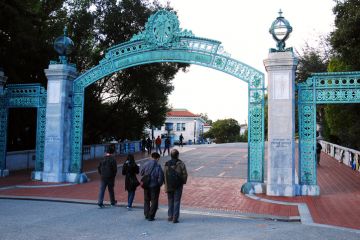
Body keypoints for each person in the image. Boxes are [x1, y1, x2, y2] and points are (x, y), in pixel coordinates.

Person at [164, 149, 188, 223]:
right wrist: (182, 182)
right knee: (177, 201)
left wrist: (165, 184)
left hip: (169, 185)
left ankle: (170, 216)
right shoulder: (181, 164)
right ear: (177, 155)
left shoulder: (167, 164)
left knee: (170, 200)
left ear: (171, 155)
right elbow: (185, 175)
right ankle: (175, 218)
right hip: (178, 185)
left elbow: (164, 175)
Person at [140, 152, 164, 221]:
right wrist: (159, 184)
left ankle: (146, 214)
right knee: (154, 201)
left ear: (151, 157)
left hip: (146, 185)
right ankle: (151, 215)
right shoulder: (158, 166)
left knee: (146, 200)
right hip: (154, 185)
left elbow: (141, 173)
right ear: (158, 158)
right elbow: (160, 177)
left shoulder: (146, 164)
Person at [97, 144, 117, 208]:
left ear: (106, 152)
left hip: (103, 177)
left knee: (102, 190)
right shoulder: (113, 159)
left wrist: (101, 173)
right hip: (110, 177)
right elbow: (115, 169)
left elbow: (99, 167)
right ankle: (112, 202)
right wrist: (113, 175)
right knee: (111, 190)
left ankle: (100, 202)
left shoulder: (102, 158)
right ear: (112, 153)